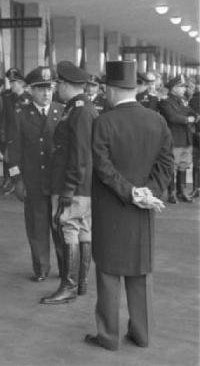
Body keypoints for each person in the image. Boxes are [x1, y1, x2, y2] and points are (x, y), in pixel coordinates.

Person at [84, 60, 173, 351]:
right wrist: (149, 193)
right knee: (139, 272)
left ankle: (108, 337)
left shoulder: (104, 121)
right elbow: (165, 163)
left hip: (112, 208)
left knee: (109, 272)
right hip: (143, 210)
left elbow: (102, 166)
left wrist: (130, 192)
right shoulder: (157, 120)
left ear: (110, 89)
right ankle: (141, 334)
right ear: (134, 88)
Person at [40, 61, 98, 305]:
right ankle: (80, 283)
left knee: (69, 229)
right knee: (82, 230)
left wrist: (68, 187)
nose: (55, 89)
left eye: (57, 84)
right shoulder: (79, 108)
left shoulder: (79, 110)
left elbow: (81, 153)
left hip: (72, 183)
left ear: (65, 84)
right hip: (81, 184)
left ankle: (69, 285)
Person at [7, 66, 65, 282]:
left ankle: (65, 267)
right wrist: (17, 180)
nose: (46, 93)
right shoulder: (21, 115)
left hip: (58, 183)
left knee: (60, 226)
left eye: (49, 88)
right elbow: (13, 152)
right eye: (41, 89)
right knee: (37, 227)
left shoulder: (62, 111)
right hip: (33, 181)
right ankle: (41, 268)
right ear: (30, 90)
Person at [158, 74, 198, 203]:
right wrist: (188, 119)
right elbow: (172, 117)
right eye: (181, 87)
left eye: (184, 87)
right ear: (174, 88)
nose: (184, 89)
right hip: (174, 139)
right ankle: (172, 192)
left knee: (183, 166)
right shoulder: (165, 101)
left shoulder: (182, 101)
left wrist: (193, 116)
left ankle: (181, 191)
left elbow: (192, 112)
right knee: (172, 167)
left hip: (186, 139)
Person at [1, 68, 31, 195]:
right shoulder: (8, 98)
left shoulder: (29, 99)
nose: (11, 85)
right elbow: (4, 118)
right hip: (11, 137)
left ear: (21, 83)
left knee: (25, 161)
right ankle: (15, 182)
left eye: (14, 83)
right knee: (10, 162)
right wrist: (2, 135)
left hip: (25, 138)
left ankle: (25, 183)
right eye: (10, 82)